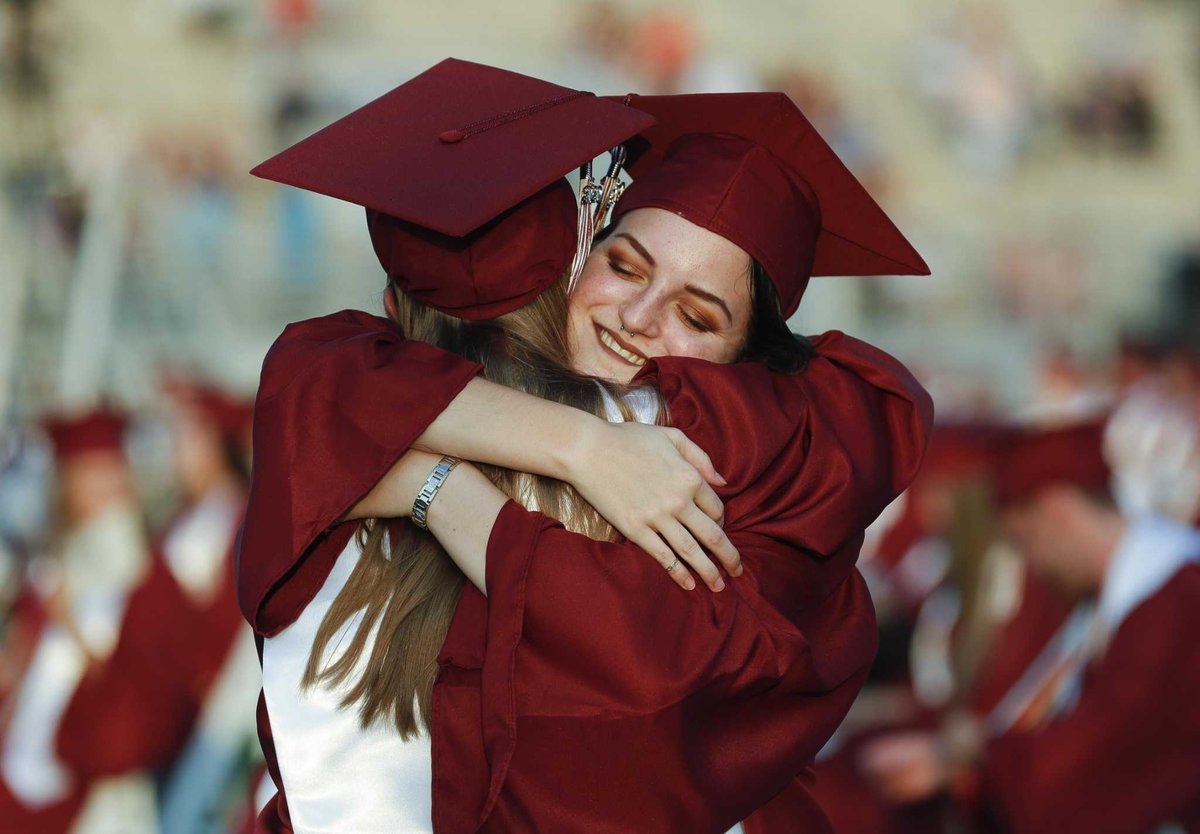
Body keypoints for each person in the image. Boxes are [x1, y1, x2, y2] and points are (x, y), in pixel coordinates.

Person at [237, 59, 933, 832]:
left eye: (696, 317)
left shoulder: (757, 472)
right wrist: (582, 446)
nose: (637, 317)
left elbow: (642, 676)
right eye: (624, 266)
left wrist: (433, 488)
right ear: (580, 252)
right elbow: (317, 382)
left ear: (749, 363)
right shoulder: (369, 380)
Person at [859, 420, 1200, 833]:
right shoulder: (1134, 593)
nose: (1034, 567)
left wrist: (963, 767)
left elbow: (1105, 749)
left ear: (1057, 509)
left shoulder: (1176, 603)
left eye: (1025, 541)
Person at [0, 407, 156, 833]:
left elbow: (123, 663)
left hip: (80, 760)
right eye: (87, 471)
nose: (100, 486)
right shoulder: (61, 548)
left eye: (108, 471)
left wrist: (66, 618)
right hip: (30, 745)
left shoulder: (128, 554)